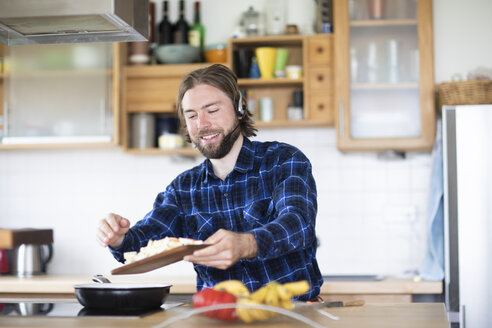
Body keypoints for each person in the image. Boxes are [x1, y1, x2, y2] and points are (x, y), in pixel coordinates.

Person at [97, 64, 323, 301]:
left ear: (240, 109)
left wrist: (246, 244)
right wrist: (118, 238)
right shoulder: (183, 189)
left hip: (291, 315)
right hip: (216, 318)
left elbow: (298, 225)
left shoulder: (283, 160)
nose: (201, 124)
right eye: (191, 115)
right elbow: (140, 247)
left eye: (212, 110)